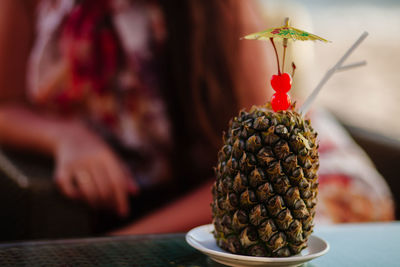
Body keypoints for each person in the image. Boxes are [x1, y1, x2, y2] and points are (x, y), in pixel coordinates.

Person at [0, 0, 394, 236]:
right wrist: (68, 138)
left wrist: (122, 245)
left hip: (286, 183)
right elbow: (6, 102)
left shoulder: (216, 11)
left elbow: (262, 167)